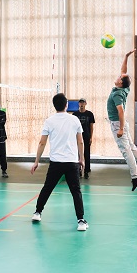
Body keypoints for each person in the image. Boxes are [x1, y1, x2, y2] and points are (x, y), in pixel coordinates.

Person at [30, 93, 88, 231]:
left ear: (54, 105)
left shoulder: (49, 121)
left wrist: (36, 161)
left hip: (56, 163)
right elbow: (80, 141)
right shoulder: (74, 120)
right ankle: (81, 221)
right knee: (76, 191)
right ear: (66, 105)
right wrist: (82, 159)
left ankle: (37, 213)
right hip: (71, 163)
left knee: (47, 188)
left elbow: (42, 142)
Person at [107, 48, 137, 191]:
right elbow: (123, 71)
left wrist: (120, 128)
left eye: (119, 78)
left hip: (117, 124)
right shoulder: (125, 88)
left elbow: (121, 111)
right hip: (122, 123)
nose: (118, 77)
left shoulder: (117, 94)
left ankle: (135, 176)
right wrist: (126, 56)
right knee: (131, 147)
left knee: (125, 150)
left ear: (121, 83)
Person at [72, 98, 95, 179]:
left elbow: (91, 126)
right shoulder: (75, 114)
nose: (81, 104)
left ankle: (86, 170)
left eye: (83, 103)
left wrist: (91, 137)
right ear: (78, 104)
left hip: (86, 135)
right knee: (77, 153)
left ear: (85, 104)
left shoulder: (89, 114)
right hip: (77, 136)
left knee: (86, 153)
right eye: (80, 103)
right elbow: (72, 126)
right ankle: (78, 169)